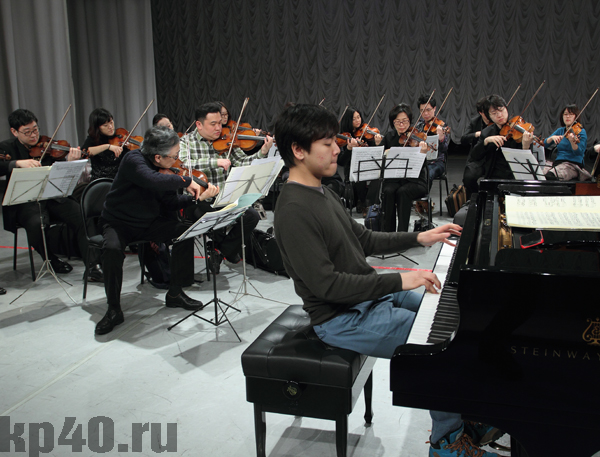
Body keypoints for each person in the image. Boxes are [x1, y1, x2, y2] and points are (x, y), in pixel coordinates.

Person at [272, 103, 499, 457]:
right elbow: (328, 286)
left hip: (368, 296)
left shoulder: (323, 192)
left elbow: (364, 239)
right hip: (341, 318)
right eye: (327, 144)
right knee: (436, 346)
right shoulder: (293, 210)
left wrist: (419, 237)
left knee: (450, 314)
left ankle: (464, 413)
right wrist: (400, 281)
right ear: (298, 150)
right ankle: (446, 442)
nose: (337, 149)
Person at [96, 126, 219, 335]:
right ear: (157, 157)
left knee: (185, 232)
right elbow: (152, 180)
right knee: (112, 250)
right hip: (119, 223)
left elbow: (170, 202)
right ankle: (113, 309)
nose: (177, 160)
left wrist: (196, 198)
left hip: (148, 223)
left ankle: (175, 293)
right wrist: (187, 181)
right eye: (174, 156)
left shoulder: (166, 170)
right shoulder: (133, 160)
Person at [0, 109, 102, 280]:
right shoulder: (6, 148)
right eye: (27, 132)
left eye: (35, 129)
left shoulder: (47, 145)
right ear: (14, 132)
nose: (34, 135)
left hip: (52, 198)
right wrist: (16, 163)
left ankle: (93, 267)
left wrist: (70, 162)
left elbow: (60, 170)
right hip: (25, 203)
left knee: (81, 215)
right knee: (36, 224)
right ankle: (51, 259)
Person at [179, 102, 274, 266]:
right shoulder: (186, 142)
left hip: (224, 197)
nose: (218, 128)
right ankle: (225, 250)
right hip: (199, 199)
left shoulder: (226, 140)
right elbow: (182, 165)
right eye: (213, 124)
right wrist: (214, 162)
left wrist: (262, 152)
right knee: (210, 218)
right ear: (199, 124)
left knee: (251, 216)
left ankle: (221, 251)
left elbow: (242, 162)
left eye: (220, 123)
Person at [381, 103, 429, 232]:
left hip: (415, 181)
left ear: (410, 121)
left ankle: (402, 234)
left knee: (403, 192)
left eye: (405, 121)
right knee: (388, 191)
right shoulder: (389, 137)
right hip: (394, 180)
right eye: (398, 122)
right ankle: (388, 233)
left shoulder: (416, 138)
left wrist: (422, 153)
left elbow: (423, 166)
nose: (401, 125)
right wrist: (385, 153)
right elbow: (379, 158)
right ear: (393, 122)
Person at [469, 95, 534, 181]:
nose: (499, 115)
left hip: (516, 177)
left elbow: (527, 165)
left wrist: (525, 147)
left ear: (506, 109)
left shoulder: (519, 131)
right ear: (489, 116)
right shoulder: (487, 132)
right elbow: (474, 156)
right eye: (494, 113)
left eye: (501, 110)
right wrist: (485, 141)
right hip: (494, 177)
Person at [339, 107, 383, 213]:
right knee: (360, 175)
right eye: (354, 119)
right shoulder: (344, 137)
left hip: (369, 166)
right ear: (348, 120)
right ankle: (364, 203)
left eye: (358, 117)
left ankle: (369, 204)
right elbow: (341, 161)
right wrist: (349, 149)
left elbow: (375, 152)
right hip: (353, 169)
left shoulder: (366, 134)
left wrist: (377, 143)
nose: (357, 120)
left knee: (378, 176)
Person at [543, 104, 590, 181]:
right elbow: (544, 144)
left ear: (576, 116)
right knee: (539, 174)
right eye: (565, 114)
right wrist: (552, 138)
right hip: (558, 163)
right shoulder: (560, 131)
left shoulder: (581, 132)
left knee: (550, 176)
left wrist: (572, 142)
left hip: (572, 165)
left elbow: (579, 152)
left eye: (571, 114)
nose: (567, 116)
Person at [82, 108, 128, 181]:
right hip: (101, 182)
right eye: (105, 125)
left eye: (111, 122)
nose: (110, 127)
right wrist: (107, 146)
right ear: (97, 128)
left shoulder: (119, 137)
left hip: (119, 181)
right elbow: (84, 153)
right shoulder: (93, 140)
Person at [461, 97, 492, 199]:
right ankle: (474, 199)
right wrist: (476, 134)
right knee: (468, 178)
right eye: (486, 112)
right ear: (480, 113)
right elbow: (464, 139)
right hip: (478, 158)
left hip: (493, 158)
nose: (489, 115)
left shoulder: (496, 122)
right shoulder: (475, 122)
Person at [415, 95, 450, 184]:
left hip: (436, 162)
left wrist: (441, 140)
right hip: (420, 161)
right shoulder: (418, 126)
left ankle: (424, 192)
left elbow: (444, 149)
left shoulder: (441, 126)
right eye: (422, 111)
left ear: (434, 109)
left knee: (427, 174)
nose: (425, 114)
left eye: (428, 110)